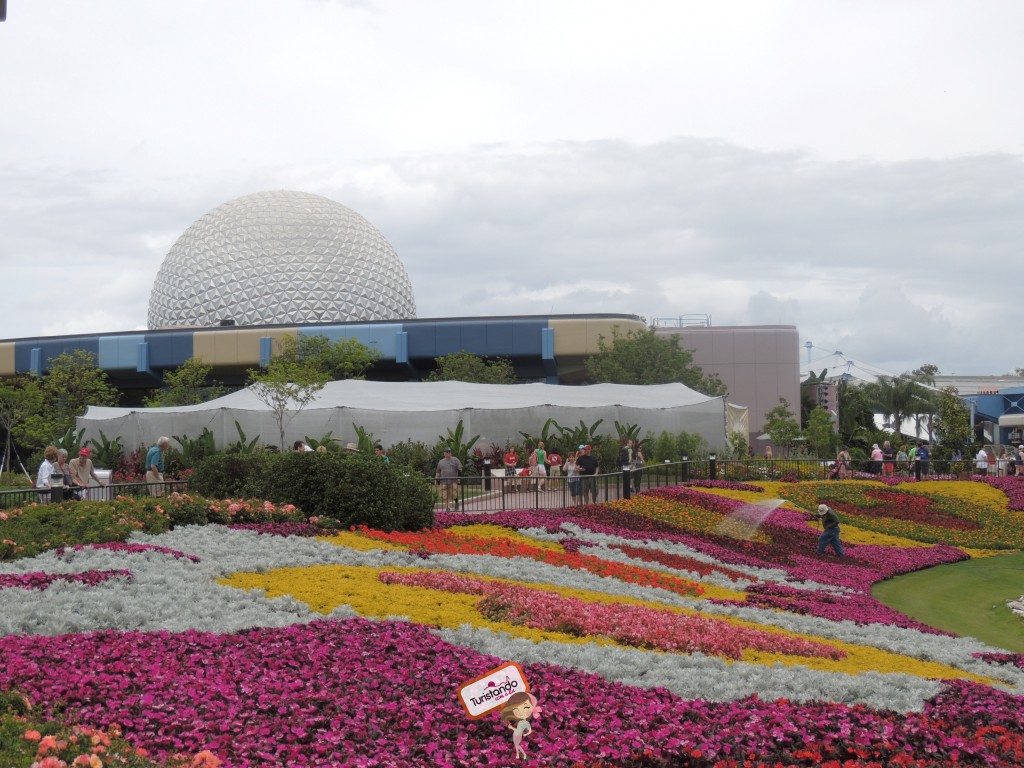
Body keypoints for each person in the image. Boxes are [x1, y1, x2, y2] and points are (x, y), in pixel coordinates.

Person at [499, 691, 539, 761]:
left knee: (517, 745)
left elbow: (528, 730)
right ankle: (518, 754)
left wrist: (526, 733)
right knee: (516, 746)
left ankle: (523, 754)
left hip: (518, 735)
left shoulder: (525, 722)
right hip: (516, 734)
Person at [434, 447, 462, 512]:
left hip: (453, 481)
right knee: (444, 496)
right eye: (447, 452)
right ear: (444, 453)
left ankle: (456, 503)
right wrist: (436, 480)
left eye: (449, 452)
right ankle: (447, 508)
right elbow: (438, 472)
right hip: (443, 482)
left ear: (451, 453)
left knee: (454, 494)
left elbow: (460, 469)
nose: (448, 453)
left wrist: (459, 475)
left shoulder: (455, 460)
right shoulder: (441, 462)